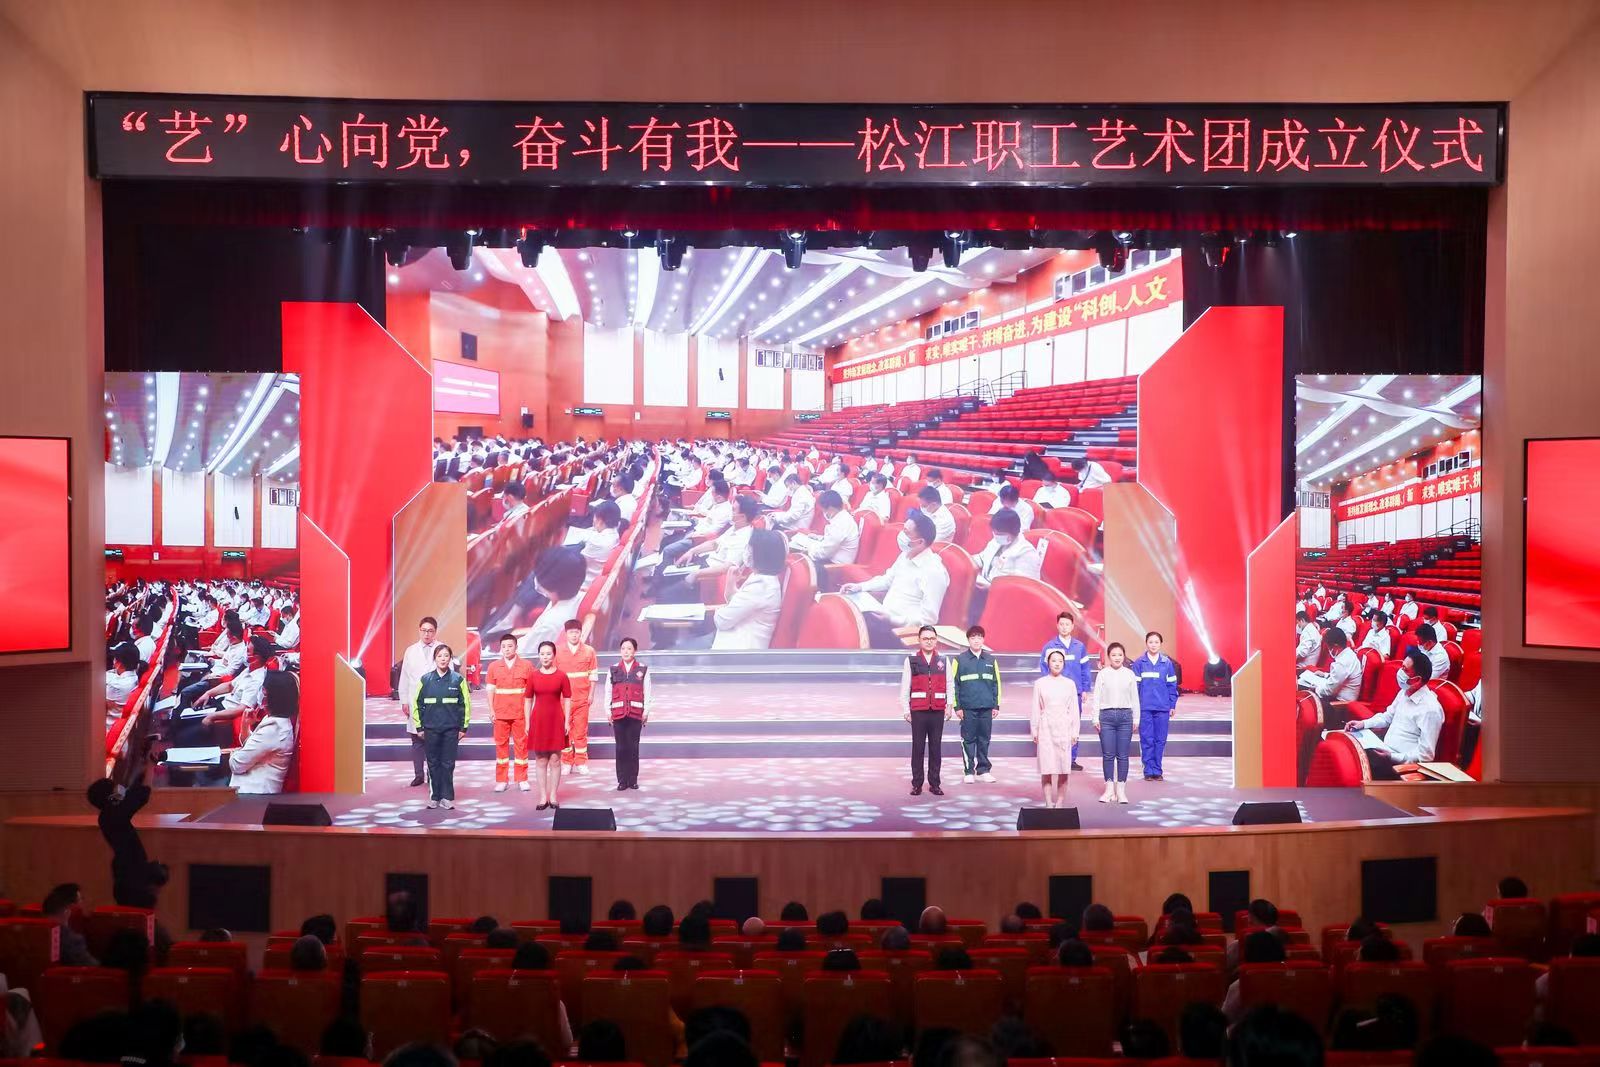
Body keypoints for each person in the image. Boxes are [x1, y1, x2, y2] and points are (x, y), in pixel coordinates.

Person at [840, 511, 950, 649]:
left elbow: (928, 619)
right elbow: (887, 580)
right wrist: (860, 587)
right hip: (883, 615)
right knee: (847, 613)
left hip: (900, 631)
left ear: (920, 542)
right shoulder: (905, 555)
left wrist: (893, 620)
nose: (901, 535)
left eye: (906, 532)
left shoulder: (934, 571)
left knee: (854, 629)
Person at [1345, 648, 1444, 777]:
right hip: (1384, 750)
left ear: (1417, 680)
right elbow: (1387, 717)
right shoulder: (1405, 692)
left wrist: (1392, 757)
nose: (1400, 672)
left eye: (1405, 670)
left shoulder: (1430, 709)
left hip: (1398, 767)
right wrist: (1363, 724)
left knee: (1353, 770)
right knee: (1348, 752)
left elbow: (1425, 756)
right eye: (1402, 666)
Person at [411, 642, 471, 810]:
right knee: (433, 763)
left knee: (448, 763)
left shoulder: (458, 680)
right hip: (431, 729)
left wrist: (463, 727)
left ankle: (446, 797)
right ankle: (434, 797)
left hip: (451, 729)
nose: (443, 659)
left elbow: (465, 705)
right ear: (435, 659)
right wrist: (419, 727)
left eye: (446, 656)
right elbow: (417, 704)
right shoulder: (425, 680)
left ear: (450, 658)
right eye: (439, 656)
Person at [900, 624, 954, 796]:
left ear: (936, 640)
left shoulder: (944, 660)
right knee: (918, 748)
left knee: (935, 748)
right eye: (925, 639)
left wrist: (950, 706)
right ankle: (917, 784)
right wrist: (906, 709)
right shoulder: (911, 661)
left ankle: (934, 783)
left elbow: (950, 684)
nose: (929, 642)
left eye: (932, 638)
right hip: (918, 710)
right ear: (919, 640)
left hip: (937, 710)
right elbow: (905, 686)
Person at [228, 669, 298, 793]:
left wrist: (234, 753)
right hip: (245, 785)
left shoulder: (274, 728)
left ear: (274, 697)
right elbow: (251, 747)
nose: (260, 694)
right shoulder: (273, 719)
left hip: (253, 795)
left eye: (264, 692)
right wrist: (245, 725)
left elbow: (236, 765)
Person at [970, 507, 1045, 622]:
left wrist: (992, 587)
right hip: (984, 591)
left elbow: (1024, 590)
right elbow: (982, 558)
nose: (995, 536)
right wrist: (967, 562)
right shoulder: (996, 541)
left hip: (1005, 602)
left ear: (1012, 533)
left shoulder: (1027, 553)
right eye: (994, 532)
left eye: (999, 534)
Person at [1040, 611, 1092, 771]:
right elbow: (1044, 668)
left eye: (1067, 624)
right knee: (1055, 724)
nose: (1064, 627)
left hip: (1075, 693)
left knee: (1073, 724)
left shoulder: (1079, 647)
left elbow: (1085, 669)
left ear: (1072, 626)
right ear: (1057, 625)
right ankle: (1056, 758)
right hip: (1055, 693)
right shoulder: (1050, 647)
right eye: (1061, 624)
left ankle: (1071, 759)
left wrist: (1085, 689)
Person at [1091, 641, 1140, 804]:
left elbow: (1135, 698)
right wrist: (1095, 717)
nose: (1117, 657)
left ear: (1124, 656)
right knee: (1108, 755)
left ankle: (1121, 791)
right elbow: (1096, 697)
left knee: (1123, 755)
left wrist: (1136, 718)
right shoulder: (1103, 674)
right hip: (1106, 717)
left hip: (1126, 717)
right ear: (1109, 657)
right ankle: (1109, 790)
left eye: (1120, 655)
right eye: (1113, 655)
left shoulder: (1130, 674)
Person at [396, 616, 441, 788]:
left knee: (433, 740)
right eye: (424, 630)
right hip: (415, 701)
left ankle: (432, 774)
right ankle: (418, 775)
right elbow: (405, 678)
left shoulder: (442, 649)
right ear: (419, 630)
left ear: (435, 632)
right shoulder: (411, 651)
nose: (427, 634)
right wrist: (404, 700)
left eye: (430, 631)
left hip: (436, 702)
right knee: (416, 740)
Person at [1032, 649, 1081, 807]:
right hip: (1046, 727)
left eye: (1060, 661)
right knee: (1046, 767)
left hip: (1064, 727)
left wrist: (1075, 732)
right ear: (1048, 663)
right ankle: (1048, 802)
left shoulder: (1069, 684)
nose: (1057, 664)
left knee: (1063, 768)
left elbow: (1074, 710)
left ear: (1064, 663)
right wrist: (1034, 729)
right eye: (1054, 661)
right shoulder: (1040, 683)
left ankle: (1059, 803)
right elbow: (1035, 708)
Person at [486, 631, 534, 792]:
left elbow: (531, 693)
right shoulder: (493, 667)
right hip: (500, 713)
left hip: (520, 713)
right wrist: (491, 710)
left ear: (516, 647)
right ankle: (502, 780)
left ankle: (522, 778)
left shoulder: (527, 666)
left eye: (510, 646)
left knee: (522, 746)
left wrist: (529, 713)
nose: (507, 649)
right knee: (501, 746)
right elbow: (490, 690)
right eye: (504, 646)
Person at [528, 640, 574, 810]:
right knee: (541, 759)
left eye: (548, 653)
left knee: (555, 759)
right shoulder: (533, 676)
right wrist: (527, 722)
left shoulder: (562, 676)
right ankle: (542, 797)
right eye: (542, 654)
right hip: (538, 720)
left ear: (554, 655)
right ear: (539, 656)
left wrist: (567, 721)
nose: (545, 657)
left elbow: (567, 699)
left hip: (556, 720)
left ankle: (553, 796)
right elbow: (528, 700)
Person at [954, 625, 1002, 784]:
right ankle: (969, 771)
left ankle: (984, 770)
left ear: (983, 639)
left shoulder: (991, 660)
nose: (976, 640)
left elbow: (996, 684)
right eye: (973, 637)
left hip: (986, 707)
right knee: (968, 739)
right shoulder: (959, 660)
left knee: (984, 739)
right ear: (968, 640)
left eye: (979, 637)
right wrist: (957, 707)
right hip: (968, 708)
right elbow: (954, 684)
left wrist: (996, 705)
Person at [607, 637, 651, 791]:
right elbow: (608, 691)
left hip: (635, 714)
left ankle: (632, 780)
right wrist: (607, 710)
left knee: (633, 747)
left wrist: (646, 711)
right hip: (618, 714)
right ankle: (622, 780)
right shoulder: (613, 669)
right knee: (620, 748)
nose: (626, 651)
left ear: (635, 651)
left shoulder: (642, 669)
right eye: (623, 648)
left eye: (629, 648)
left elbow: (647, 691)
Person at [1135, 632, 1180, 781]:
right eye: (1150, 642)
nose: (1153, 645)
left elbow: (1172, 685)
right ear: (1146, 643)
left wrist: (1172, 704)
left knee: (1160, 740)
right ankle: (1148, 770)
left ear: (1160, 644)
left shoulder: (1167, 663)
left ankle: (1157, 770)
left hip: (1162, 707)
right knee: (1147, 739)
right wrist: (1135, 706)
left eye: (1156, 642)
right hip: (1145, 708)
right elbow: (1135, 687)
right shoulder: (1139, 663)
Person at [556, 620, 598, 776]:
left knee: (580, 731)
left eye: (576, 632)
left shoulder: (589, 651)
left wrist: (591, 694)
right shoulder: (557, 651)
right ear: (566, 634)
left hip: (582, 699)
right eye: (571, 632)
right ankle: (567, 762)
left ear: (581, 633)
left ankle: (581, 762)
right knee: (564, 731)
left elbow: (593, 675)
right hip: (563, 700)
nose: (574, 635)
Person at [792, 490, 860, 565]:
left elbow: (824, 552)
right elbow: (831, 541)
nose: (823, 513)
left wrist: (808, 551)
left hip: (835, 565)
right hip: (832, 557)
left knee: (799, 562)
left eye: (823, 510)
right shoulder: (843, 517)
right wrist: (818, 538)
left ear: (830, 509)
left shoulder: (840, 524)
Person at [1298, 626, 1361, 703]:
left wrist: (1315, 689)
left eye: (1329, 647)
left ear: (1336, 646)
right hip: (1338, 692)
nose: (1329, 650)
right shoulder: (1349, 653)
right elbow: (1340, 677)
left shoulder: (1342, 663)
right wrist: (1325, 675)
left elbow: (1329, 690)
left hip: (1341, 702)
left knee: (1304, 693)